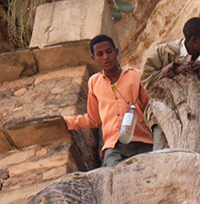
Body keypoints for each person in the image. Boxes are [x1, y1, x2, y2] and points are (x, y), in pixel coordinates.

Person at [63, 34, 153, 167]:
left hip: (142, 142)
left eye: (109, 52)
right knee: (113, 179)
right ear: (94, 58)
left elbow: (150, 109)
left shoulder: (136, 75)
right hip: (114, 147)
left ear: (116, 52)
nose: (106, 57)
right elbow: (94, 119)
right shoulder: (94, 82)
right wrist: (65, 122)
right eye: (100, 54)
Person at [141, 17, 200, 150]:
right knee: (162, 151)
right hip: (163, 115)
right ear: (194, 40)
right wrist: (171, 70)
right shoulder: (164, 53)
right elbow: (146, 80)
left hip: (196, 118)